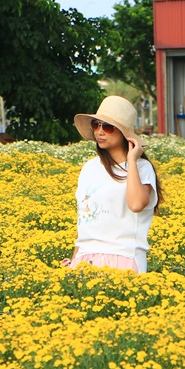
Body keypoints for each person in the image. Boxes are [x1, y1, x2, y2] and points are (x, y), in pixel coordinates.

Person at [62, 96, 163, 274]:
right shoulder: (89, 168)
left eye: (107, 127)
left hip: (124, 259)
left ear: (125, 134)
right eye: (96, 125)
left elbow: (136, 204)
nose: (99, 132)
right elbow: (84, 222)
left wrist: (132, 160)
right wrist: (74, 261)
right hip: (85, 260)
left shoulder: (142, 168)